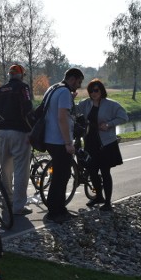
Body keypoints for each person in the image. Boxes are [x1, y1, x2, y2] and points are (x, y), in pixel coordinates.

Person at [0, 65, 34, 216]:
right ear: (21, 75)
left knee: (5, 169)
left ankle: (7, 200)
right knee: (21, 169)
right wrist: (32, 129)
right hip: (20, 132)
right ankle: (18, 206)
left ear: (9, 75)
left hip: (2, 132)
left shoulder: (1, 90)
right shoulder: (23, 88)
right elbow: (27, 109)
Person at [77, 78, 128, 211]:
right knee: (92, 171)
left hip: (106, 144)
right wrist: (70, 98)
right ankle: (99, 196)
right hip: (90, 142)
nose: (93, 93)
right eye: (91, 91)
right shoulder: (86, 104)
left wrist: (109, 124)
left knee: (105, 172)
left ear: (101, 91)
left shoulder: (111, 104)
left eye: (96, 90)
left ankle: (108, 202)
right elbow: (73, 110)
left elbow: (124, 117)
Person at [43, 67, 86, 224]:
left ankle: (59, 209)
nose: (79, 86)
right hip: (59, 140)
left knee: (60, 175)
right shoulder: (64, 93)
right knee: (61, 177)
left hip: (50, 138)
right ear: (72, 79)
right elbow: (62, 118)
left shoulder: (53, 88)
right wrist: (68, 142)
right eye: (79, 82)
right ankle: (56, 212)